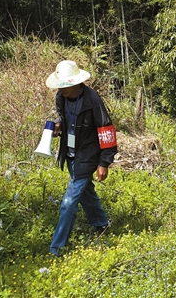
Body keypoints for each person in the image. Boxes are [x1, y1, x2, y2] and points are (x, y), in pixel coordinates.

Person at [45, 60, 118, 257]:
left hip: (87, 156)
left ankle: (56, 248)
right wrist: (58, 126)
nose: (60, 90)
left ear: (75, 83)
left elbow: (106, 129)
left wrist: (104, 162)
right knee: (86, 192)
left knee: (69, 202)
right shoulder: (61, 98)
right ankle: (101, 224)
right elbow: (64, 118)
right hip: (70, 154)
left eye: (64, 86)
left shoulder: (92, 99)